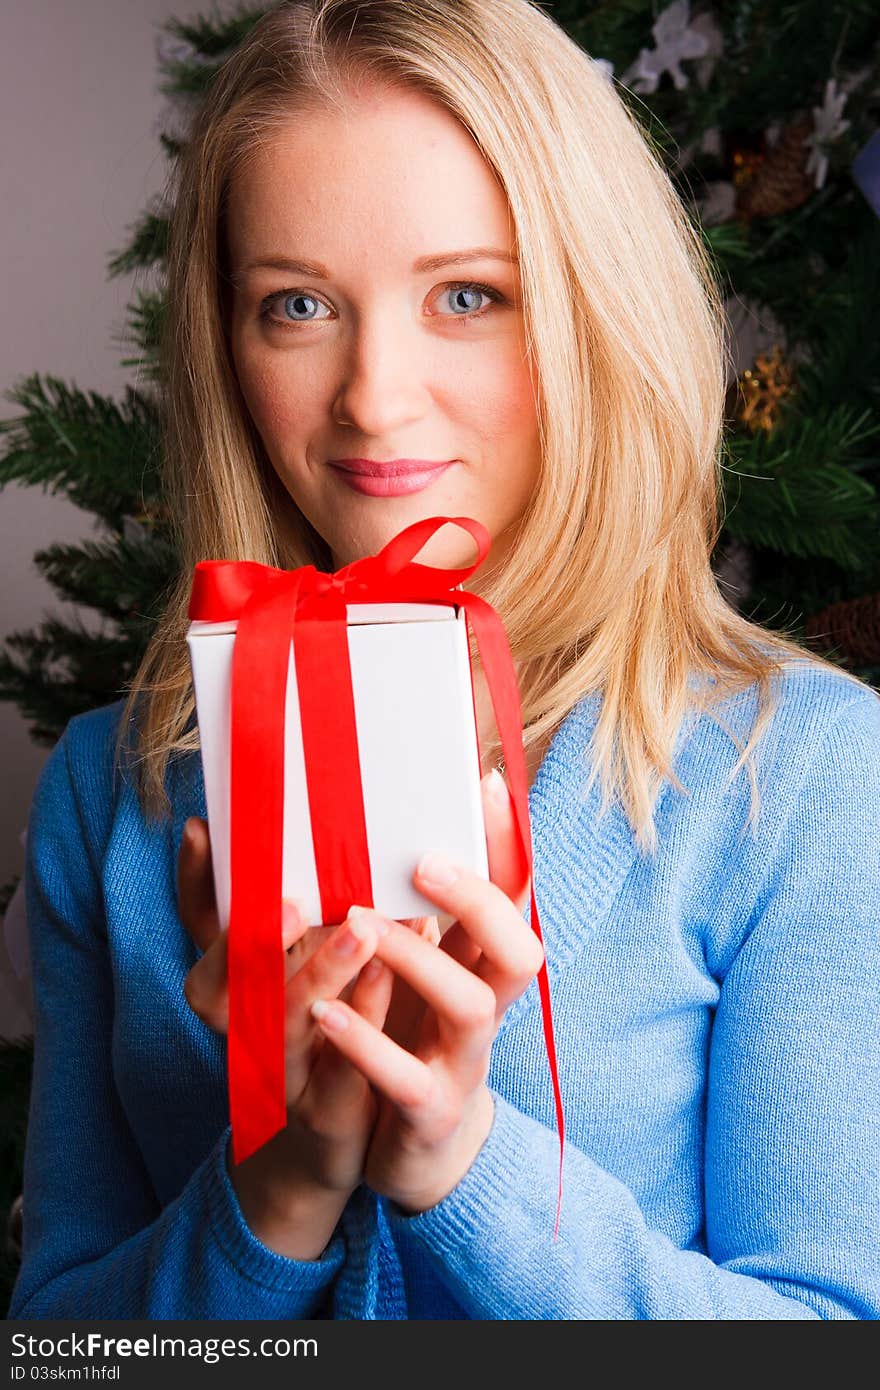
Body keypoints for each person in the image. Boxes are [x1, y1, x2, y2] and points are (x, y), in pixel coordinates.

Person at [9, 0, 879, 1321]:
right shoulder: (110, 794)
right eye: (296, 304)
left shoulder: (797, 771)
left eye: (467, 294)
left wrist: (459, 1161)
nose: (374, 393)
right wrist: (277, 1192)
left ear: (593, 309)